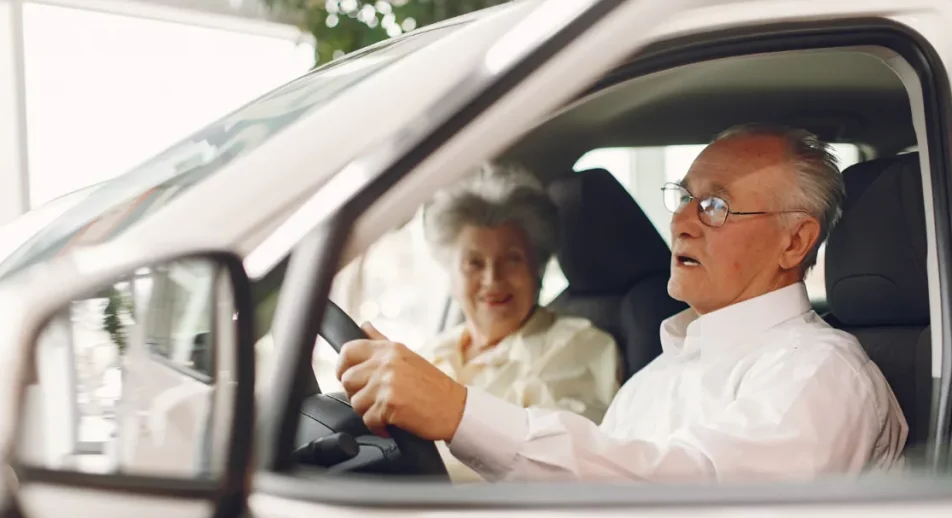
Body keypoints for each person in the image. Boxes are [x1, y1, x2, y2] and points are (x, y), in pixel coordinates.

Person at [339, 124, 908, 483]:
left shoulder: (821, 374)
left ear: (795, 241)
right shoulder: (657, 376)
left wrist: (458, 412)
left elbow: (689, 495)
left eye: (714, 206)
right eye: (684, 197)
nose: (681, 221)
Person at [415, 163, 622, 481]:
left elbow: (561, 466)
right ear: (451, 276)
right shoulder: (435, 350)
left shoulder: (578, 345)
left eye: (512, 259)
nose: (492, 279)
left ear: (537, 270)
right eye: (473, 263)